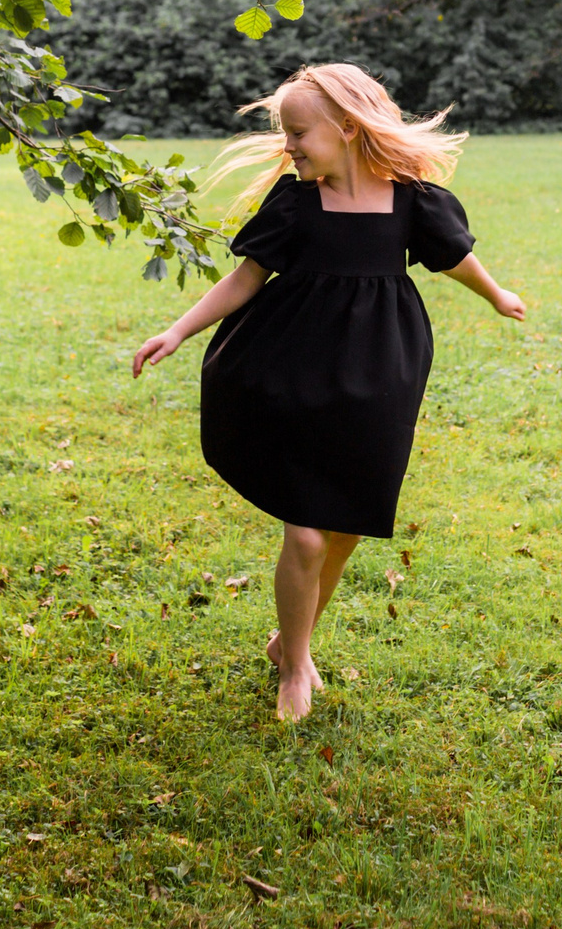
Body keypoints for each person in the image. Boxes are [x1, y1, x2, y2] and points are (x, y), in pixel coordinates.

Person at [131, 63, 525, 721]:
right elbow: (246, 279)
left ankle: (293, 640)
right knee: (308, 536)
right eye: (284, 134)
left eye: (298, 133)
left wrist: (496, 293)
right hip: (291, 371)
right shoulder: (294, 202)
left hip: (380, 374)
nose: (289, 146)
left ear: (346, 128)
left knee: (344, 528)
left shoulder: (409, 200)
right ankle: (294, 666)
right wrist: (177, 330)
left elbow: (454, 255)